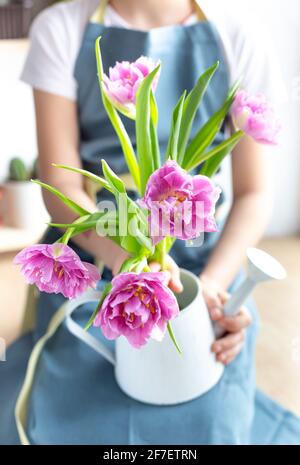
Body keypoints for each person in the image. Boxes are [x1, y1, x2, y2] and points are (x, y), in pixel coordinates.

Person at [0, 0, 289, 445]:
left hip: (203, 260)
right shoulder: (61, 28)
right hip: (95, 252)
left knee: (207, 411)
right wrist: (128, 259)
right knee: (70, 410)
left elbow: (255, 193)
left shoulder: (237, 33)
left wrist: (211, 287)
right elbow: (60, 184)